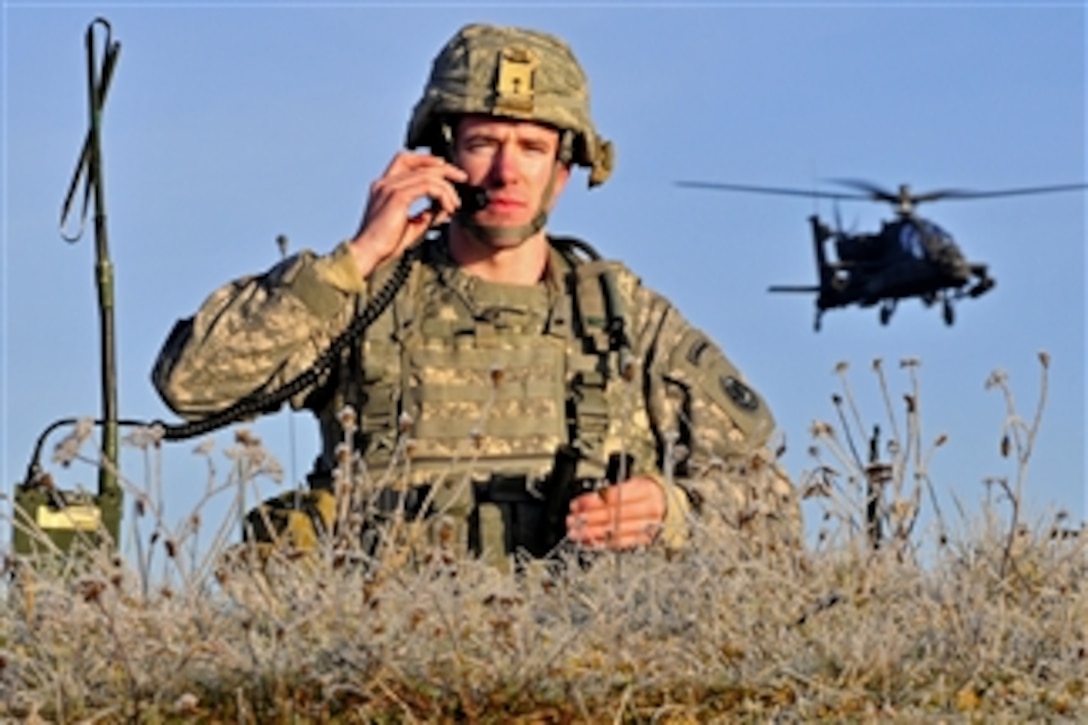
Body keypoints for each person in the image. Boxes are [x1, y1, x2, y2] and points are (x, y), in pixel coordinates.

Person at [152, 23, 801, 570]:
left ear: (564, 170)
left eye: (532, 147)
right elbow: (191, 384)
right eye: (484, 142)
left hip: (582, 666)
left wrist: (671, 510)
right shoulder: (370, 294)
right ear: (442, 153)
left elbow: (774, 506)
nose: (506, 170)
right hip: (377, 661)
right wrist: (356, 258)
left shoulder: (623, 319)